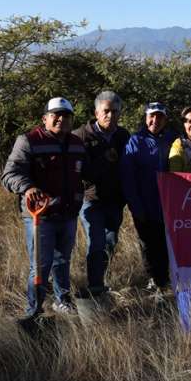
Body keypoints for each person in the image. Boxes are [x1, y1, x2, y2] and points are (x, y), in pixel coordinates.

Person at [2, 97, 87, 317]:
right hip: (39, 216)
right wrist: (28, 187)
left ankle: (63, 301)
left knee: (62, 260)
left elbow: (84, 173)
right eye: (56, 115)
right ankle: (33, 310)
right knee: (40, 266)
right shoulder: (29, 140)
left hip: (68, 213)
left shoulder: (77, 143)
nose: (61, 119)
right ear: (45, 118)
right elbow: (10, 174)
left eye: (66, 115)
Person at [72, 91, 130, 295]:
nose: (110, 116)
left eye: (115, 112)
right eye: (106, 111)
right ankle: (95, 286)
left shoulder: (123, 135)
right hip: (92, 199)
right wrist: (105, 159)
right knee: (96, 242)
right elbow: (80, 171)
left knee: (110, 243)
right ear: (96, 112)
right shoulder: (81, 136)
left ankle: (99, 280)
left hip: (115, 200)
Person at [120, 102, 179, 293]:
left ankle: (166, 279)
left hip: (169, 206)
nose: (155, 120)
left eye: (160, 117)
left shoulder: (173, 139)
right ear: (146, 118)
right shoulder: (135, 141)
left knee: (165, 244)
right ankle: (153, 279)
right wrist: (136, 206)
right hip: (144, 204)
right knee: (148, 244)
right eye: (152, 116)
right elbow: (128, 177)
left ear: (165, 119)